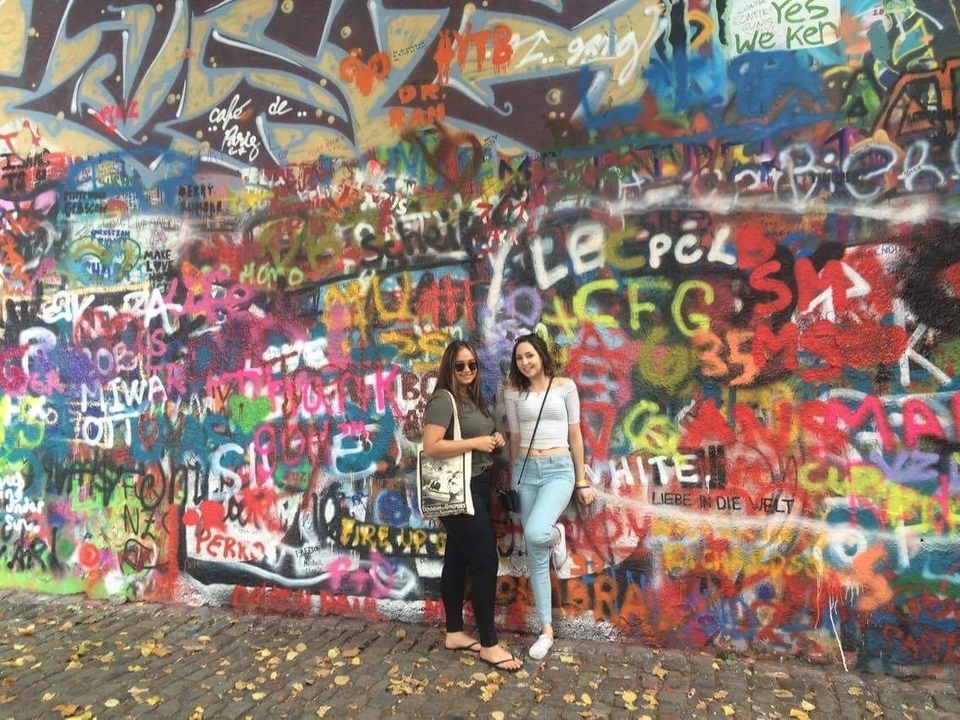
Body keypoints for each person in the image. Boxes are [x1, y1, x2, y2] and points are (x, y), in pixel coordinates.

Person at [421, 340, 523, 672]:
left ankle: (454, 632)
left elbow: (483, 436)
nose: (467, 370)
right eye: (459, 365)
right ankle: (490, 645)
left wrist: (494, 439)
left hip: (477, 487)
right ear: (448, 368)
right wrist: (477, 443)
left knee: (457, 558)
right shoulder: (442, 400)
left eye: (472, 365)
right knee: (485, 561)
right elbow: (432, 446)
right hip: (456, 490)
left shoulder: (473, 400)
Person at [503, 333, 596, 660]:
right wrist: (514, 476)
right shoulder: (512, 392)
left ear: (541, 355)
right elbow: (514, 436)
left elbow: (575, 433)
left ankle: (557, 534)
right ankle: (546, 631)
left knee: (536, 532)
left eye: (530, 355)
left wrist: (581, 480)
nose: (525, 363)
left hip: (559, 469)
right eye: (519, 358)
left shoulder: (565, 387)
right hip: (527, 471)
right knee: (535, 555)